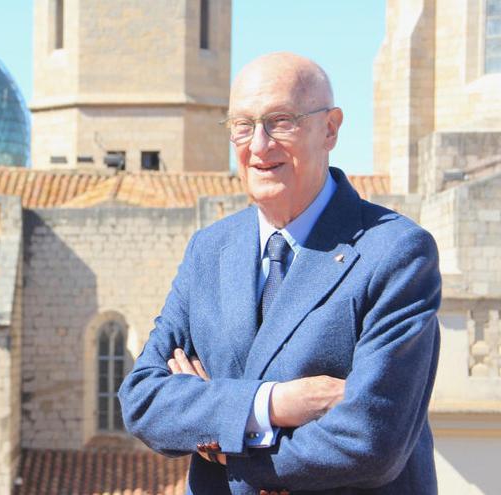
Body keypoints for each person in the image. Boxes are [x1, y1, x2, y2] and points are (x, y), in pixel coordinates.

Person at [118, 52, 441, 494]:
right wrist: (275, 404)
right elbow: (143, 401)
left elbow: (372, 440)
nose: (258, 145)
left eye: (281, 121)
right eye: (242, 125)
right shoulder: (210, 250)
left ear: (330, 129)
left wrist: (220, 437)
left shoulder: (395, 252)